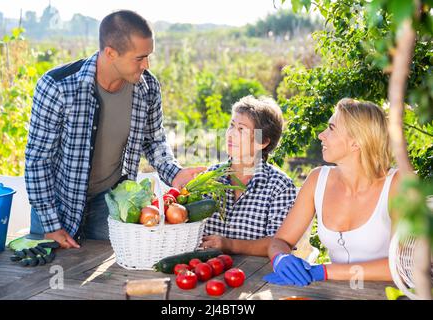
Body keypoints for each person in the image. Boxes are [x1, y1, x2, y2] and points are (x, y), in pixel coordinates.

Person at [25, 10, 205, 249]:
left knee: (105, 280)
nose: (147, 65)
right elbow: (38, 160)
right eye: (139, 58)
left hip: (110, 204)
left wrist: (175, 173)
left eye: (148, 56)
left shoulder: (147, 87)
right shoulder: (57, 86)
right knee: (44, 277)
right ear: (110, 53)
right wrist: (50, 224)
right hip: (57, 204)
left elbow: (153, 141)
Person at [265, 98, 400, 286]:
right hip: (335, 292)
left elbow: (401, 265)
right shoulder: (317, 179)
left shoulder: (397, 185)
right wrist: (280, 258)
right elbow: (280, 241)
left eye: (331, 128)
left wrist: (322, 271)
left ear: (356, 143)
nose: (321, 135)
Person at [201, 95, 297, 256]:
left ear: (263, 141)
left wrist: (229, 244)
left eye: (241, 129)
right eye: (232, 125)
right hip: (204, 272)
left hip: (257, 278)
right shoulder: (209, 177)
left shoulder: (280, 186)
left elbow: (279, 243)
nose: (231, 134)